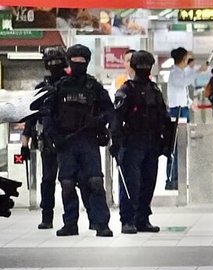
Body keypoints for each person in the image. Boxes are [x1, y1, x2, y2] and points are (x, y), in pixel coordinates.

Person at [43, 44, 114, 237]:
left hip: (88, 141)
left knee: (95, 182)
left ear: (87, 63)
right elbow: (47, 114)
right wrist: (54, 135)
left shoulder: (94, 87)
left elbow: (109, 111)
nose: (78, 64)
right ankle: (70, 223)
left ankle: (101, 223)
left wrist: (100, 122)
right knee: (66, 183)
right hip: (66, 142)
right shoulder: (59, 87)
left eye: (82, 62)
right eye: (75, 61)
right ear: (69, 62)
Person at [20, 46, 93, 230]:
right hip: (50, 141)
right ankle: (48, 217)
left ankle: (91, 217)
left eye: (57, 62)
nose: (54, 66)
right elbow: (32, 116)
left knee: (77, 180)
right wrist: (25, 141)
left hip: (70, 140)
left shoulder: (71, 83)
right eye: (51, 63)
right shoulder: (42, 88)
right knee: (50, 180)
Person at [110, 50, 172, 235]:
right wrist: (116, 142)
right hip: (131, 144)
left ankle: (142, 219)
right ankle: (127, 220)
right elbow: (116, 119)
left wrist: (167, 140)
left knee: (148, 182)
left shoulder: (155, 91)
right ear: (135, 67)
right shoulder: (126, 91)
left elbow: (163, 118)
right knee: (130, 183)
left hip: (151, 144)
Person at [165, 46, 196, 190]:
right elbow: (182, 84)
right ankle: (172, 178)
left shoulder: (180, 73)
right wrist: (196, 72)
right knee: (176, 146)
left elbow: (182, 92)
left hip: (182, 109)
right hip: (177, 112)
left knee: (182, 146)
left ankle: (180, 178)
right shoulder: (175, 74)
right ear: (183, 59)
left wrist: (189, 103)